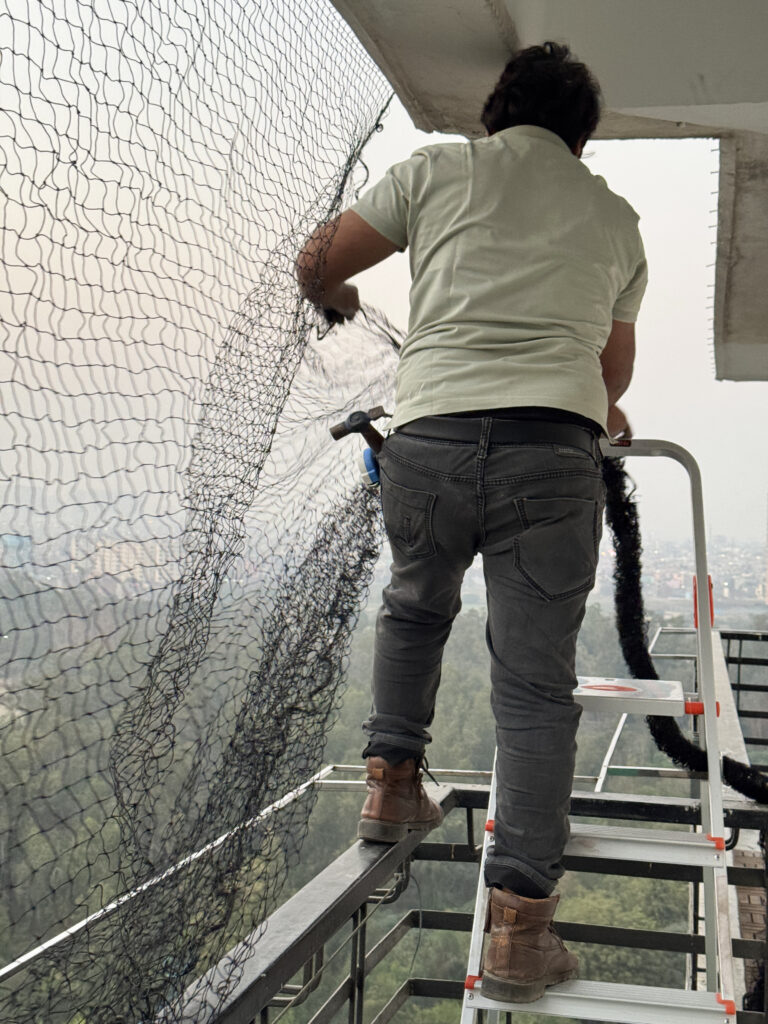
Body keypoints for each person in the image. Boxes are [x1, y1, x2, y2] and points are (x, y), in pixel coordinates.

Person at [297, 42, 646, 1003]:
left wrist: (338, 298)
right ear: (582, 136)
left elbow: (316, 261)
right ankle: (521, 933)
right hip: (551, 455)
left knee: (414, 608)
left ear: (495, 112)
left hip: (432, 444)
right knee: (533, 690)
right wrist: (596, 404)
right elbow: (612, 380)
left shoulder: (437, 169)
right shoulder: (615, 220)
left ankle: (390, 782)